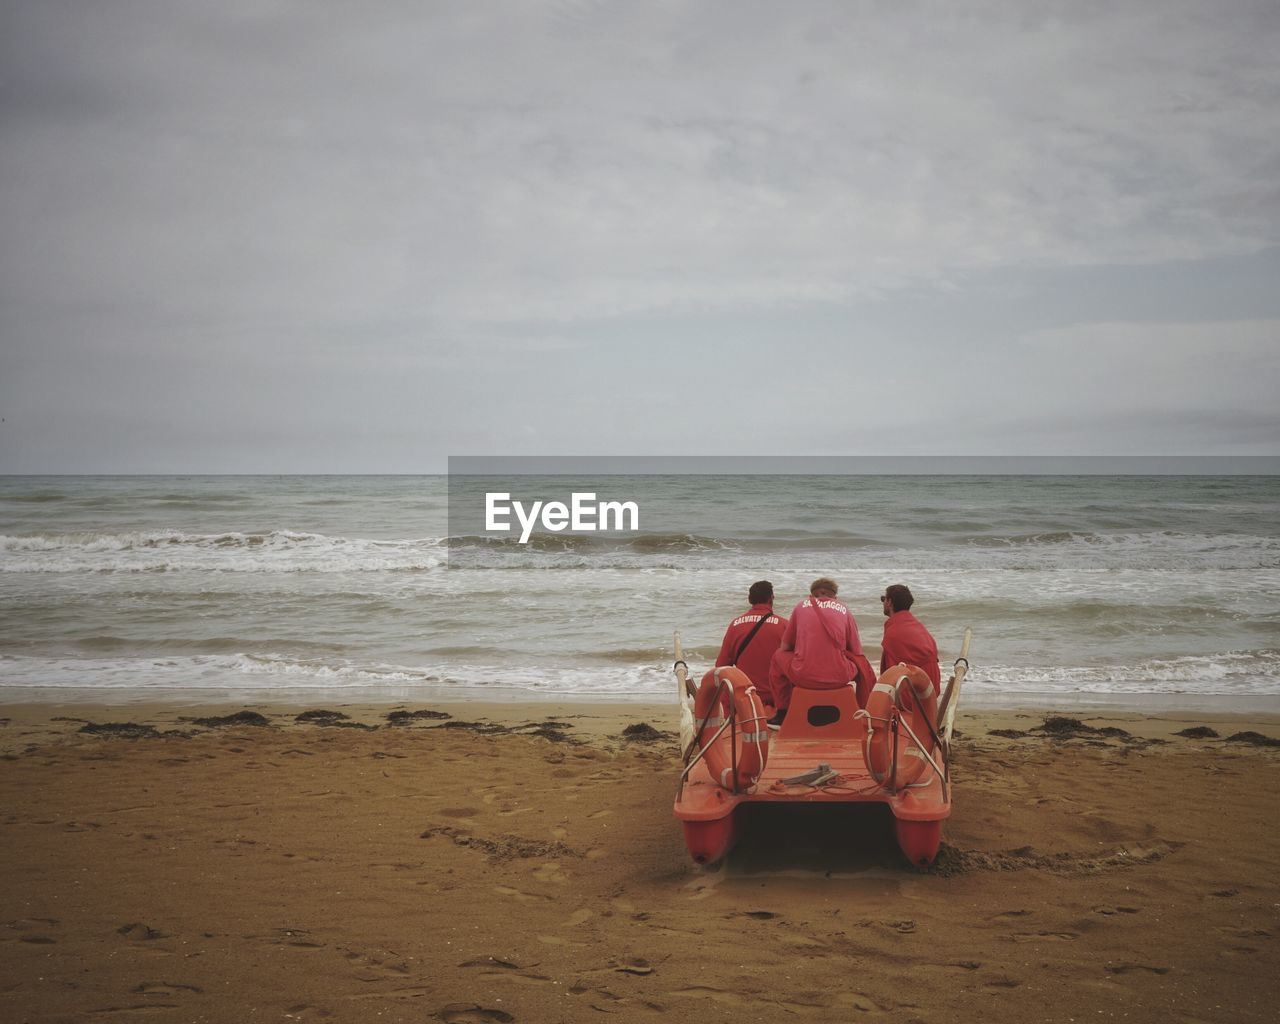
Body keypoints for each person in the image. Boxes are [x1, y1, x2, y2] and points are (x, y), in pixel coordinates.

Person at [768, 577, 876, 727]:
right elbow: (857, 650)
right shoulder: (844, 609)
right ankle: (863, 709)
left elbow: (785, 647)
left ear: (812, 596)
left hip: (803, 676)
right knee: (859, 662)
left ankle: (782, 713)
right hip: (840, 676)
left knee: (777, 657)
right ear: (835, 597)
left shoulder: (800, 607)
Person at [715, 580, 788, 708]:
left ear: (750, 599)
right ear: (771, 599)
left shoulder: (735, 625)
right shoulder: (784, 625)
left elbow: (721, 665)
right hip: (777, 697)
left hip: (745, 695)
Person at [880, 584, 941, 693]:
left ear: (889, 602)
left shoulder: (893, 633)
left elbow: (888, 675)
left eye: (883, 599)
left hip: (913, 697)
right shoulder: (918, 627)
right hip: (932, 690)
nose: (883, 602)